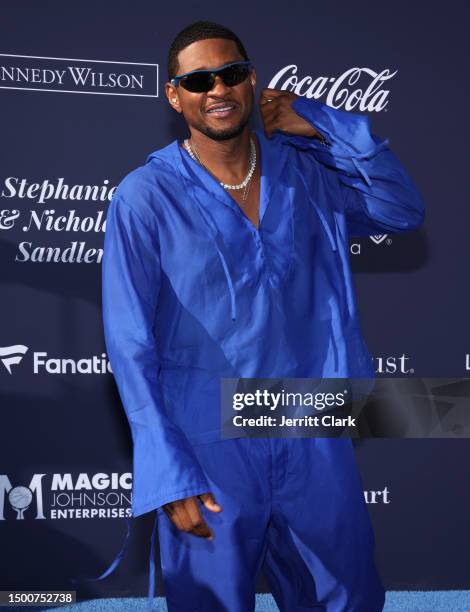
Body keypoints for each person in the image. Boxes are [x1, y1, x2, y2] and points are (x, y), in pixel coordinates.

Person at [97, 20, 424, 612]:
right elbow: (128, 343)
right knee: (210, 603)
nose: (217, 89)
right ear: (175, 95)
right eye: (198, 80)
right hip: (208, 438)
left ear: (253, 82)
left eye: (232, 74)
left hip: (309, 420)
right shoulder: (144, 196)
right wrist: (170, 472)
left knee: (346, 598)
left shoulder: (305, 170)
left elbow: (400, 210)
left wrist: (319, 121)